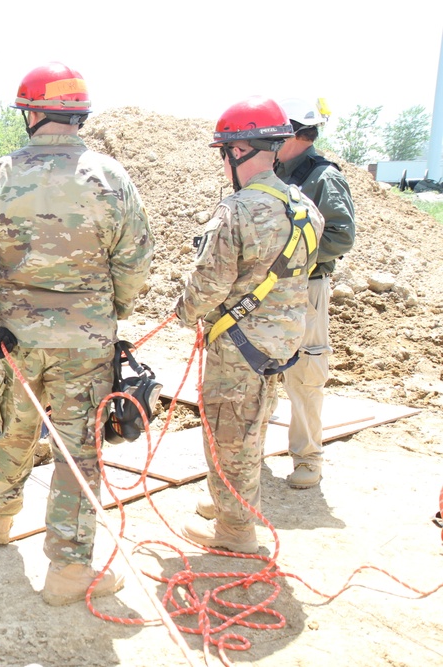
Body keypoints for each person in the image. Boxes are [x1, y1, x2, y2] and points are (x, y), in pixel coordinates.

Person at [0, 62, 154, 606]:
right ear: (77, 113)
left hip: (14, 339)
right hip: (84, 343)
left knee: (11, 428)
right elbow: (136, 259)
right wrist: (110, 309)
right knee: (76, 450)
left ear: (33, 114)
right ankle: (68, 572)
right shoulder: (111, 178)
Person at [174, 97, 324, 553]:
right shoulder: (304, 207)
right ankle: (230, 508)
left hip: (237, 348)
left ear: (238, 152)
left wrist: (182, 313)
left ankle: (236, 532)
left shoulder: (238, 211)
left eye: (224, 152)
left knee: (229, 434)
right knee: (250, 429)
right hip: (277, 344)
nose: (222, 163)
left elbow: (207, 287)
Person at [274, 98, 356, 489]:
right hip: (268, 289)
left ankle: (308, 457)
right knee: (258, 367)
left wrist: (291, 257)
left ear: (294, 132)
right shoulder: (273, 172)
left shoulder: (323, 177)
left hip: (306, 286)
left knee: (306, 372)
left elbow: (341, 235)